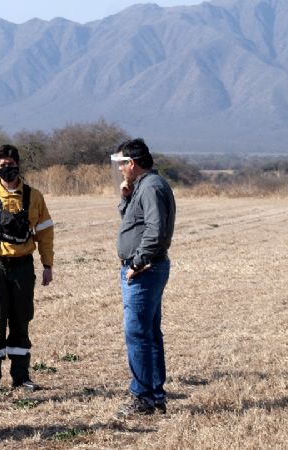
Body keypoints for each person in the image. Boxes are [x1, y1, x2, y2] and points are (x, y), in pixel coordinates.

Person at [0, 144, 54, 392]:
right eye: (3, 165)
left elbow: (45, 233)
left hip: (24, 266)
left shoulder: (34, 196)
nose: (8, 169)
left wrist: (47, 264)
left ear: (19, 166)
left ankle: (21, 376)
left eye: (12, 165)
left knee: (21, 321)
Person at [111, 138, 176, 418]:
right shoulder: (144, 186)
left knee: (137, 333)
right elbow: (134, 222)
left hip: (145, 270)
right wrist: (126, 198)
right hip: (147, 268)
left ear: (132, 163)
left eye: (122, 164)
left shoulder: (150, 187)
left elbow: (155, 229)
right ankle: (155, 395)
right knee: (148, 333)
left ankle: (143, 397)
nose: (120, 169)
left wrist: (138, 262)